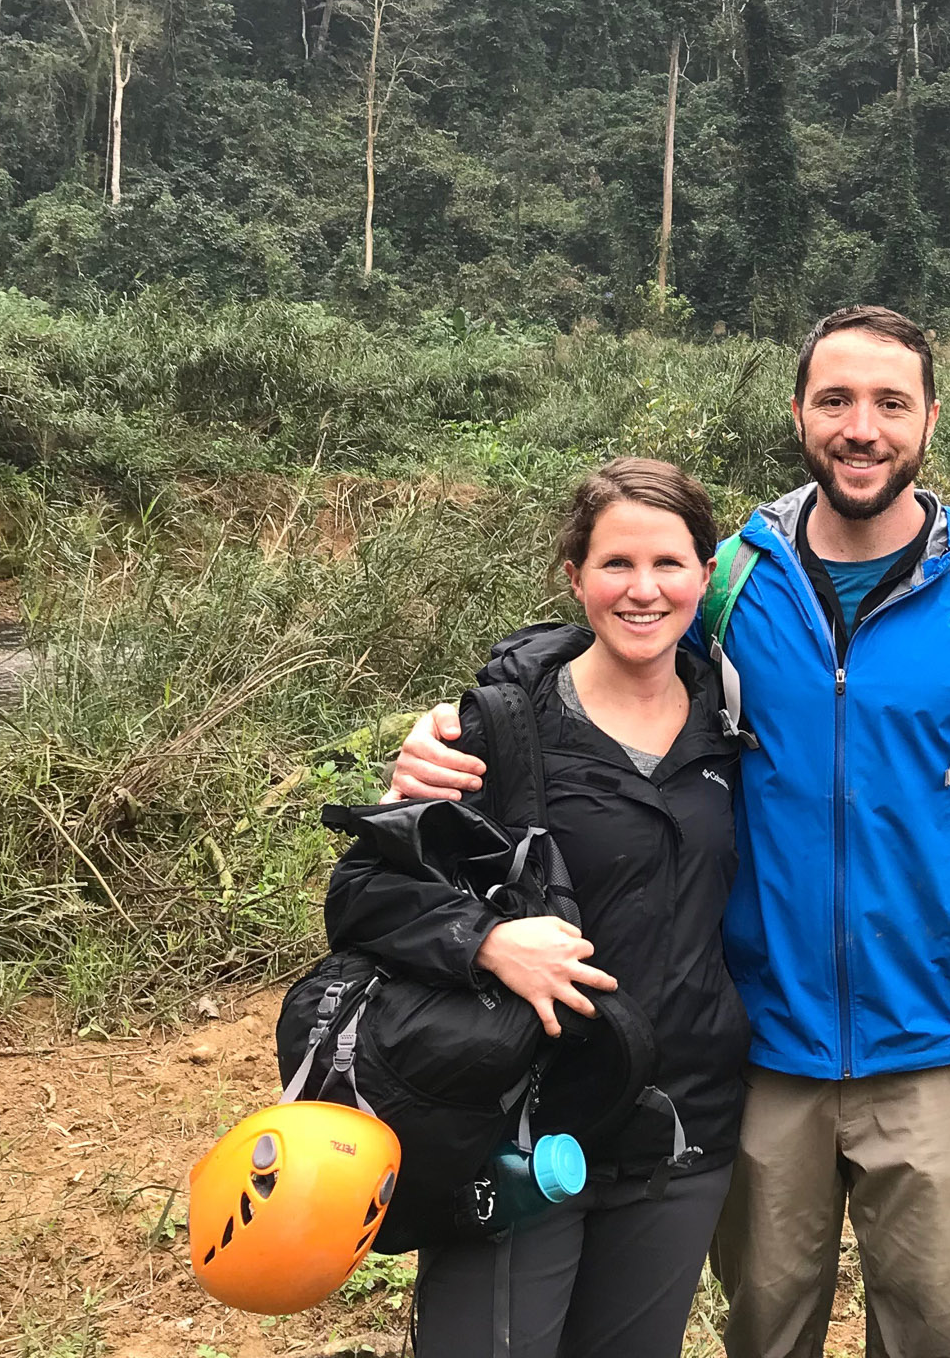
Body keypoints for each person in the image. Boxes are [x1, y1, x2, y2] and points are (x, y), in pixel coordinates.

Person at [393, 307, 950, 1358]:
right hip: (762, 1049)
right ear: (799, 414)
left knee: (932, 1333)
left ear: (929, 420)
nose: (861, 426)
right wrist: (458, 730)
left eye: (888, 403)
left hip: (939, 1051)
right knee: (764, 1333)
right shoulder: (731, 580)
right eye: (836, 400)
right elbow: (612, 640)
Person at [343, 457, 748, 1358]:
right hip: (519, 1120)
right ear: (574, 577)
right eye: (615, 565)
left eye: (670, 565)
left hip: (683, 1125)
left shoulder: (737, 722)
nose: (643, 591)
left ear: (706, 574)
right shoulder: (498, 729)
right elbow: (363, 892)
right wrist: (487, 941)